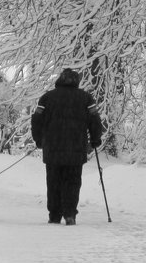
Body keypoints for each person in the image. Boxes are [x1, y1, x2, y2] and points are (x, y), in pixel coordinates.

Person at [30, 68, 104, 225]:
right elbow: (95, 119)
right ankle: (70, 214)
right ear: (76, 81)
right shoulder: (86, 98)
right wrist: (95, 139)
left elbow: (36, 119)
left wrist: (38, 139)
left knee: (53, 182)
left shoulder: (47, 98)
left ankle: (54, 215)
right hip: (75, 149)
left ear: (59, 80)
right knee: (72, 182)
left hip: (53, 148)